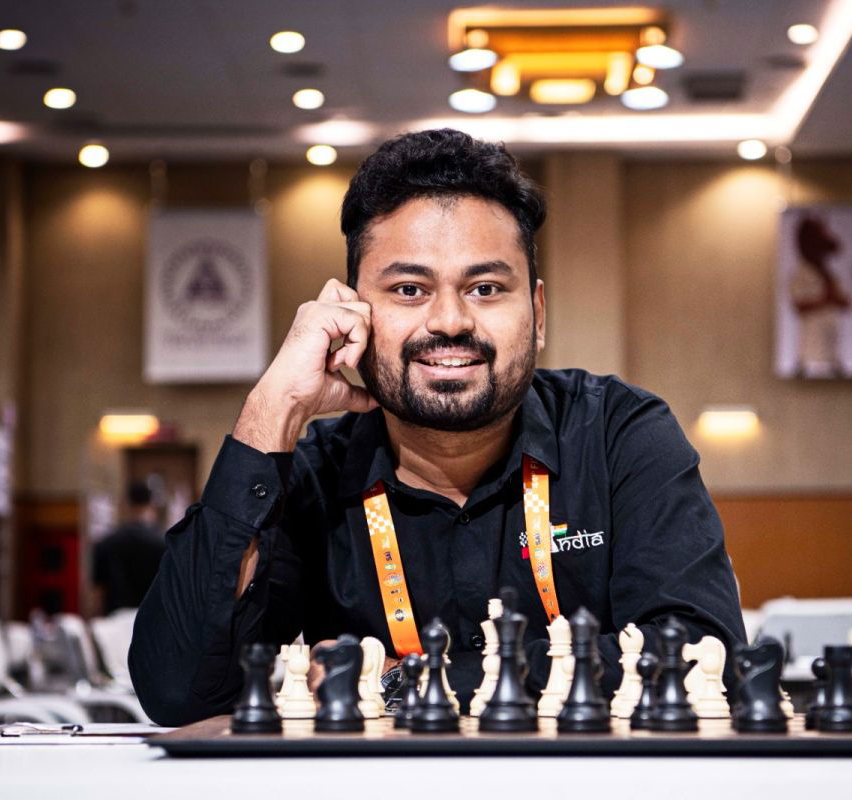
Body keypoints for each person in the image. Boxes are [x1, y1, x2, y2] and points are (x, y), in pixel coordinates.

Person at [129, 129, 745, 726]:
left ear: (537, 314)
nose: (449, 320)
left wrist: (399, 680)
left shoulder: (619, 435)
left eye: (485, 287)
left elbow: (701, 656)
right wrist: (272, 409)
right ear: (352, 314)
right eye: (408, 289)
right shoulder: (312, 477)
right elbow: (179, 690)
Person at [789, 215, 851, 378]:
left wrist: (835, 298)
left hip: (833, 347)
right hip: (810, 349)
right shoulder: (801, 273)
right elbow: (799, 306)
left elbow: (846, 302)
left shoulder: (830, 274)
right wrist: (825, 300)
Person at [91, 483, 166, 615]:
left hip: (115, 616)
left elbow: (98, 593)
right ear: (151, 504)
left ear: (126, 504)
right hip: (151, 616)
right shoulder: (164, 543)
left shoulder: (107, 543)